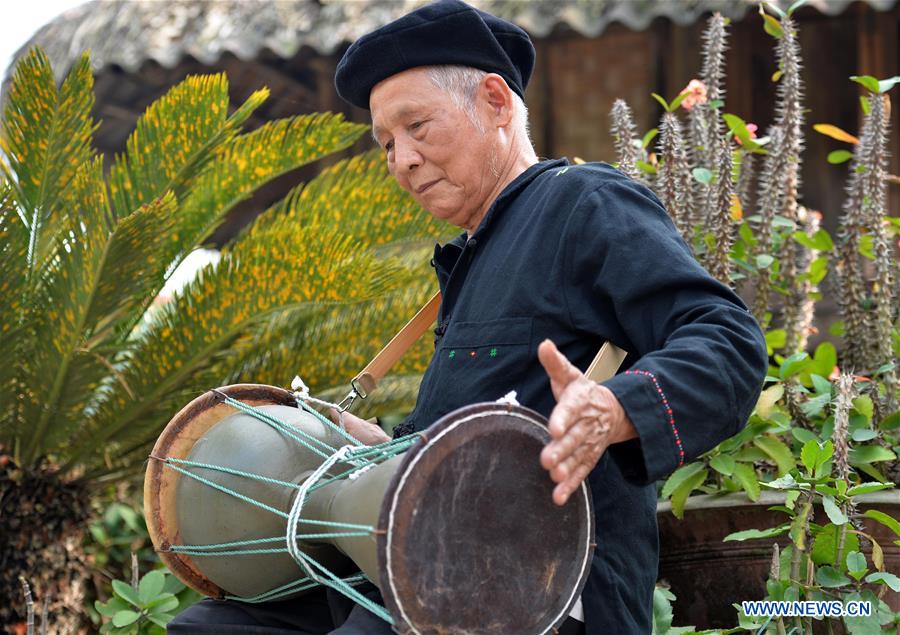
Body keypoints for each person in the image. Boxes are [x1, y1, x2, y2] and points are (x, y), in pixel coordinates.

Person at [168, 1, 768, 633]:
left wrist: (613, 411)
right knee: (207, 627)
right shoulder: (468, 261)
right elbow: (475, 429)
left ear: (494, 100)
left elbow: (728, 340)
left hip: (538, 582)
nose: (401, 160)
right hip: (419, 559)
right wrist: (389, 448)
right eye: (387, 145)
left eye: (417, 127)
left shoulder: (583, 203)